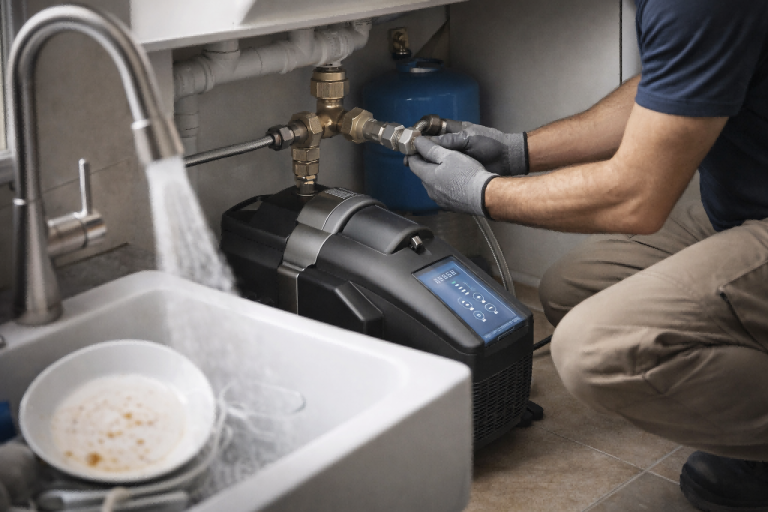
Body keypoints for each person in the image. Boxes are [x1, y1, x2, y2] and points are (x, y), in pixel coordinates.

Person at [406, 1, 768, 510]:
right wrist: (518, 151)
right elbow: (673, 84)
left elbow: (637, 198)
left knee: (598, 347)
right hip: (744, 208)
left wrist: (484, 194)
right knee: (574, 289)